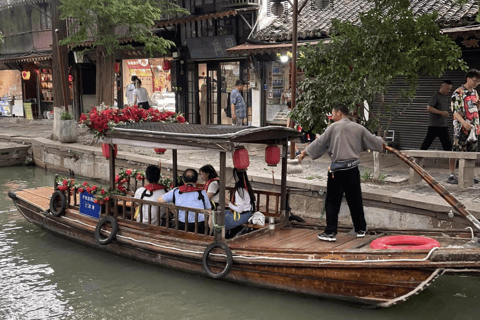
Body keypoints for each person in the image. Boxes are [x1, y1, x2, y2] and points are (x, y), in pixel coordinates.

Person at [298, 105, 384, 242]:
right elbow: (374, 140)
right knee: (355, 200)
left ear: (339, 113)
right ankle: (360, 228)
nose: (332, 117)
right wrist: (382, 144)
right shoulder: (358, 127)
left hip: (337, 171)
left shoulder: (334, 127)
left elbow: (320, 142)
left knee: (332, 202)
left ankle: (330, 232)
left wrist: (304, 152)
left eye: (333, 114)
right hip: (353, 169)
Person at [419, 80, 456, 182]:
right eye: (447, 89)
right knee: (426, 144)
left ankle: (452, 174)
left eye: (450, 89)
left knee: (449, 148)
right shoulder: (436, 95)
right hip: (434, 125)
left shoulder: (445, 97)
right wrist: (441, 113)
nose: (449, 91)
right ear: (442, 87)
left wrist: (446, 113)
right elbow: (429, 108)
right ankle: (417, 164)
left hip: (443, 126)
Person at [450, 69, 480, 184]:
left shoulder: (475, 92)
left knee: (471, 151)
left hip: (473, 126)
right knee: (456, 149)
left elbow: (476, 110)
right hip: (461, 126)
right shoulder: (459, 92)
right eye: (474, 80)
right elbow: (455, 112)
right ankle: (452, 174)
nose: (476, 83)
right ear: (468, 78)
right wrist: (464, 123)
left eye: (478, 82)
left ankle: (469, 175)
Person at [158, 169, 211, 233]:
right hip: (199, 227)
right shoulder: (202, 192)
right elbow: (209, 210)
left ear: (183, 180)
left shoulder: (176, 191)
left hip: (181, 226)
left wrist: (171, 207)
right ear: (197, 180)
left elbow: (160, 200)